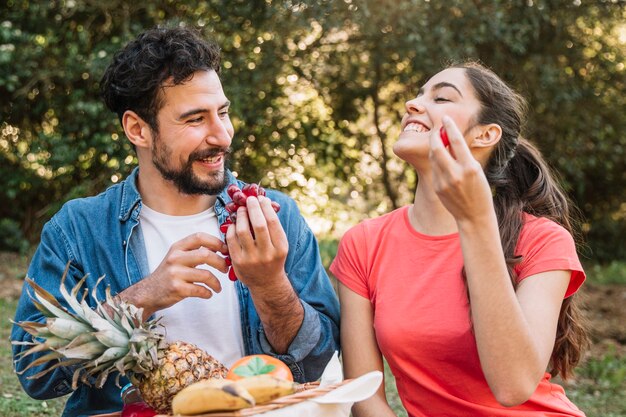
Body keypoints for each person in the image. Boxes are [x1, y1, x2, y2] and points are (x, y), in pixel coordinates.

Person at [12, 26, 340, 417]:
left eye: (222, 112)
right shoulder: (77, 230)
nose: (222, 135)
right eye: (195, 119)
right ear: (138, 130)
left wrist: (270, 286)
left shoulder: (275, 215)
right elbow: (36, 372)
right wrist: (142, 297)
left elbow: (323, 359)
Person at [330, 62, 589, 417]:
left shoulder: (542, 240)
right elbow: (364, 395)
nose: (413, 104)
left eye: (441, 98)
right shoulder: (364, 243)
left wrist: (475, 220)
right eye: (419, 94)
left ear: (485, 134)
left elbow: (513, 386)